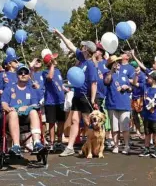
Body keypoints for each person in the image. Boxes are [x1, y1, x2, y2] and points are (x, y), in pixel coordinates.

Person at [54, 29, 97, 157]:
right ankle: (70, 147)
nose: (80, 47)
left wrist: (93, 99)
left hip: (85, 96)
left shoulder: (90, 65)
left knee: (88, 122)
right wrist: (60, 34)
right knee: (74, 120)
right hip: (77, 95)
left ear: (86, 49)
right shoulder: (80, 58)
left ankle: (93, 145)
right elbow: (70, 45)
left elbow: (93, 83)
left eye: (83, 46)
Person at [1, 64, 44, 156]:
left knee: (33, 111)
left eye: (25, 72)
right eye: (21, 73)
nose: (23, 74)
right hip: (12, 116)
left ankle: (37, 142)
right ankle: (16, 145)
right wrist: (9, 108)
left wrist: (26, 108)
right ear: (17, 75)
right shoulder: (9, 88)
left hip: (26, 117)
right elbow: (4, 103)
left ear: (29, 75)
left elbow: (35, 104)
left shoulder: (31, 90)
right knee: (13, 114)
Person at [104, 55, 132, 154]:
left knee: (125, 127)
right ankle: (116, 145)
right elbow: (106, 81)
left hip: (124, 104)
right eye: (116, 62)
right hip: (112, 104)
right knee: (114, 127)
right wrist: (111, 71)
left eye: (119, 62)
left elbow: (130, 88)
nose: (118, 64)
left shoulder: (124, 75)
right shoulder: (107, 74)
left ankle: (126, 145)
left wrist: (127, 87)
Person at [138, 70, 156, 158]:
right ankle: (146, 149)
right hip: (146, 114)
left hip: (155, 115)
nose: (147, 78)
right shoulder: (147, 88)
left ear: (153, 79)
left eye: (149, 77)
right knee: (147, 132)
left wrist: (155, 104)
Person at [42, 52, 66, 151]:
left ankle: (59, 141)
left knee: (61, 122)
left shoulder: (58, 71)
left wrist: (64, 89)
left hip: (60, 100)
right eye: (53, 59)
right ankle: (52, 143)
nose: (55, 61)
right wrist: (51, 65)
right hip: (50, 101)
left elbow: (59, 83)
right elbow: (50, 78)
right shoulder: (45, 72)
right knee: (52, 123)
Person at [93, 43, 112, 147]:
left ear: (101, 52)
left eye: (97, 50)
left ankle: (108, 138)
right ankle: (98, 138)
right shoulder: (91, 63)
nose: (95, 52)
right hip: (95, 95)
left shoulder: (106, 63)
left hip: (106, 94)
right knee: (96, 118)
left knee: (106, 117)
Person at [130, 61, 146, 140]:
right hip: (134, 97)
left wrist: (134, 83)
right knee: (134, 115)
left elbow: (143, 86)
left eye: (134, 67)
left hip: (140, 97)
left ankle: (146, 132)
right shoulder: (133, 74)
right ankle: (138, 132)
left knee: (143, 115)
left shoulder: (142, 75)